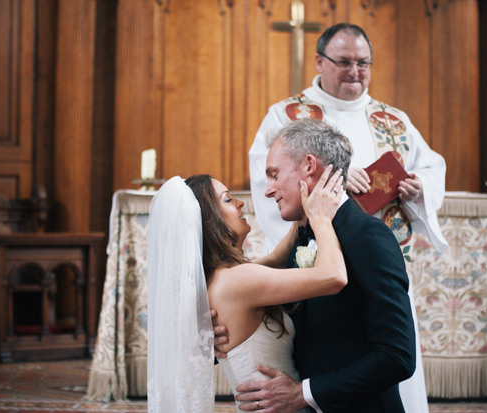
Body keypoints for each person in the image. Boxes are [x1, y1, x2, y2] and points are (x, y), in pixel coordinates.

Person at [248, 23, 446, 412]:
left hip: (373, 250)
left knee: (382, 352)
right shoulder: (287, 115)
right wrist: (326, 202)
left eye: (364, 63)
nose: (355, 72)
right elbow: (271, 187)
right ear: (320, 62)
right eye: (344, 62)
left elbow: (432, 165)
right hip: (320, 261)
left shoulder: (391, 119)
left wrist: (418, 185)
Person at [227, 118, 416, 412]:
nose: (268, 190)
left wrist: (303, 394)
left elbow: (397, 356)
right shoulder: (304, 234)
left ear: (309, 167)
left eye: (275, 175)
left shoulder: (367, 236)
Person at [146, 162, 347, 412]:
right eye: (228, 200)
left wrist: (303, 208)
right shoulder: (237, 281)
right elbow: (333, 276)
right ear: (209, 221)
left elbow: (275, 259)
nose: (240, 203)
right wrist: (321, 219)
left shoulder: (219, 278)